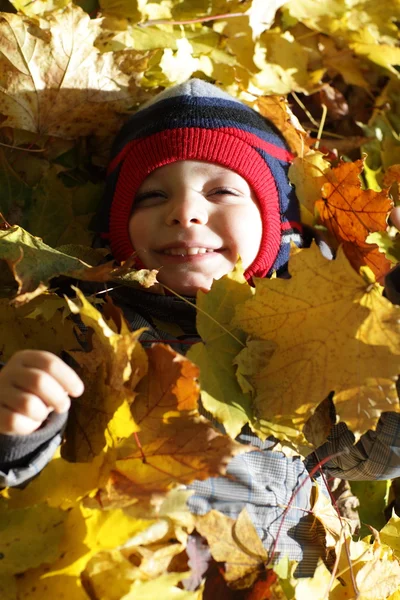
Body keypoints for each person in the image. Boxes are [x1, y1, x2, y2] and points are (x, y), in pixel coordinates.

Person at [0, 79, 399, 576]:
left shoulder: (304, 344)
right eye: (150, 196)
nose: (185, 212)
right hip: (121, 575)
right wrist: (21, 431)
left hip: (277, 576)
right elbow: (34, 492)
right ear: (114, 229)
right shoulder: (89, 331)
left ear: (279, 225)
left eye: (222, 191)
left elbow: (381, 450)